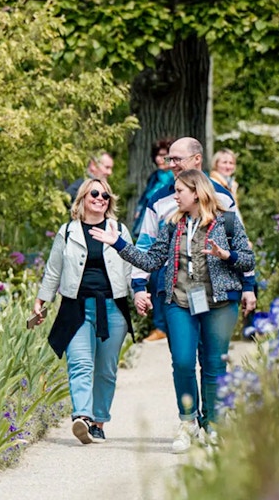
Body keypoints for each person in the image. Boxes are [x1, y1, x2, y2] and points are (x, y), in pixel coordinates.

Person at [91, 170, 256, 453]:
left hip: (219, 302)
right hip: (178, 300)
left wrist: (226, 255)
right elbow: (152, 259)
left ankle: (214, 427)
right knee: (182, 361)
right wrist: (117, 243)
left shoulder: (226, 220)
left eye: (179, 190)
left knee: (215, 364)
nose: (175, 195)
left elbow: (248, 258)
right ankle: (188, 423)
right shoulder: (172, 224)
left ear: (196, 192)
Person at [33, 177, 134, 445]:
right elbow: (53, 269)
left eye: (105, 195)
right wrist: (41, 300)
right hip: (76, 307)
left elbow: (131, 266)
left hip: (112, 307)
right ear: (82, 200)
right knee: (80, 363)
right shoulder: (68, 231)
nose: (100, 198)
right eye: (94, 194)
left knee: (106, 369)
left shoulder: (119, 229)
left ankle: (99, 422)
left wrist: (141, 295)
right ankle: (82, 417)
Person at [131, 137, 256, 319]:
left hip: (215, 284)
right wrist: (139, 286)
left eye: (177, 159)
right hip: (172, 286)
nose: (172, 164)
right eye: (169, 159)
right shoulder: (158, 200)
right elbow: (145, 245)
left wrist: (248, 286)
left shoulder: (221, 196)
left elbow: (240, 244)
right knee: (182, 345)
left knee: (212, 347)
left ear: (197, 159)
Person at [133, 138, 176, 342]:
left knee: (164, 279)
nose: (162, 159)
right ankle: (160, 326)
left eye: (166, 155)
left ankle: (166, 326)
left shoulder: (172, 179)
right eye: (159, 155)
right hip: (151, 235)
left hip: (168, 234)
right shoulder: (154, 177)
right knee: (155, 280)